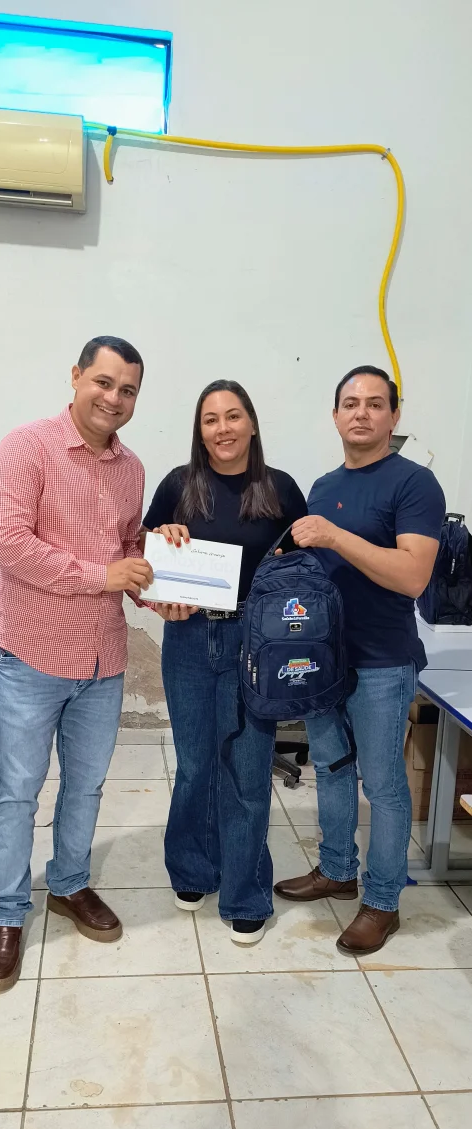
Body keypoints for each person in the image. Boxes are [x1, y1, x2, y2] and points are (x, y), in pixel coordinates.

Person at [0, 335, 152, 993]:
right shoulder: (27, 446)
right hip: (30, 655)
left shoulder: (131, 467)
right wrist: (101, 575)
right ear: (76, 376)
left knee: (85, 786)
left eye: (128, 390)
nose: (114, 398)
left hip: (103, 659)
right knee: (17, 793)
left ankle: (70, 883)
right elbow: (6, 543)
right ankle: (5, 913)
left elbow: (127, 548)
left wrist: (158, 574)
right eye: (103, 382)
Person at [275, 365, 445, 955]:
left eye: (375, 403)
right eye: (350, 403)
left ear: (394, 416)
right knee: (330, 768)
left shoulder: (414, 483)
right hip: (324, 660)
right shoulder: (323, 486)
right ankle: (336, 869)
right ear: (335, 415)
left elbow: (413, 575)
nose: (362, 413)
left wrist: (334, 537)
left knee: (384, 783)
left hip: (382, 661)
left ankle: (382, 901)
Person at [143, 379, 307, 944]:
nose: (223, 428)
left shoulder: (280, 489)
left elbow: (303, 567)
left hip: (253, 641)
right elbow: (144, 554)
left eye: (233, 416)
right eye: (210, 419)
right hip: (188, 638)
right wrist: (159, 554)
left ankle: (245, 893)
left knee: (247, 769)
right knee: (194, 764)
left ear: (252, 423)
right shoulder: (178, 484)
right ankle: (193, 870)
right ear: (200, 430)